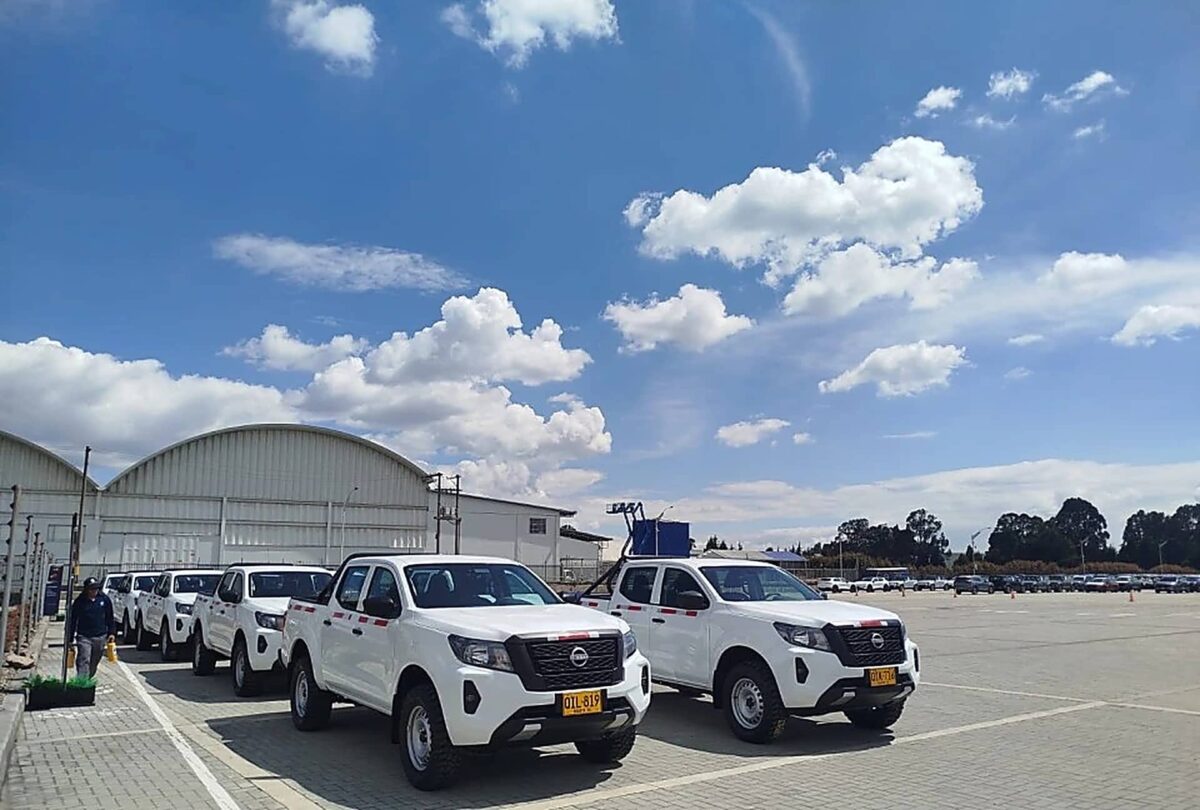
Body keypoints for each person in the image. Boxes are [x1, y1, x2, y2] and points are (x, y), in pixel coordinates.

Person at [68, 577, 115, 679]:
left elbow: (110, 617)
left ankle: (88, 678)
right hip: (84, 636)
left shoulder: (104, 599)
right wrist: (70, 638)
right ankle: (81, 682)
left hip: (100, 636)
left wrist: (111, 632)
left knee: (94, 660)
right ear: (86, 590)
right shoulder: (80, 602)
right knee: (84, 658)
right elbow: (73, 620)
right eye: (91, 589)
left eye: (96, 589)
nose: (94, 591)